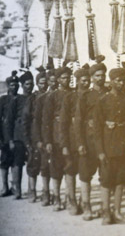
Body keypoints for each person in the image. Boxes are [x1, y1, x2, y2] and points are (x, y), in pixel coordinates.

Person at [94, 67, 125, 225]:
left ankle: (118, 212)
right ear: (111, 81)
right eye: (117, 80)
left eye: (123, 80)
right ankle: (106, 213)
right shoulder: (103, 100)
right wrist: (100, 151)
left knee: (121, 180)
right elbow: (97, 128)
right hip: (109, 147)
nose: (121, 83)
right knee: (107, 181)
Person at [75, 57, 108, 221]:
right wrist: (80, 143)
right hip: (89, 140)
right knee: (85, 174)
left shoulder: (110, 94)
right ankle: (86, 206)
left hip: (107, 141)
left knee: (106, 174)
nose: (100, 78)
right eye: (97, 76)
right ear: (92, 77)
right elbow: (78, 122)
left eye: (103, 75)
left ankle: (104, 208)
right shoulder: (85, 96)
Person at [60, 64, 90, 215]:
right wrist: (64, 144)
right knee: (71, 168)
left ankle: (84, 202)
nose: (87, 83)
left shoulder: (92, 97)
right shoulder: (69, 97)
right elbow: (63, 123)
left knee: (86, 170)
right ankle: (71, 200)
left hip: (88, 139)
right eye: (83, 80)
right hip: (72, 140)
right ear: (77, 81)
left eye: (88, 80)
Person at [42, 65, 73, 211]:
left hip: (70, 135)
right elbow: (46, 120)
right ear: (58, 80)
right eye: (63, 78)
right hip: (55, 136)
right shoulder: (52, 96)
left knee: (70, 167)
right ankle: (56, 198)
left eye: (68, 77)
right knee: (56, 168)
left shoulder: (74, 94)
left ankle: (69, 198)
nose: (66, 80)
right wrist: (47, 140)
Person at [4, 70, 35, 199]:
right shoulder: (17, 100)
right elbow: (9, 121)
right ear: (22, 85)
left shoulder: (36, 97)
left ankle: (31, 189)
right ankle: (17, 189)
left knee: (33, 161)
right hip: (18, 136)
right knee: (18, 162)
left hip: (33, 134)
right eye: (27, 84)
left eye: (31, 84)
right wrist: (10, 139)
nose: (30, 86)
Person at [24, 67, 48, 202]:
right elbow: (26, 118)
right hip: (34, 132)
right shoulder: (32, 98)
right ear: (37, 83)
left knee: (45, 163)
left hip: (46, 132)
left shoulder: (50, 96)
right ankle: (32, 190)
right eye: (41, 83)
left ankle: (46, 191)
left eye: (45, 83)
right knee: (33, 162)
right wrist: (27, 137)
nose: (43, 85)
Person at [34, 68, 57, 206]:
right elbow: (37, 120)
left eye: (55, 81)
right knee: (45, 164)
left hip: (59, 134)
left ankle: (57, 193)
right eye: (50, 81)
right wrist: (38, 139)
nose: (53, 83)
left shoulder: (62, 96)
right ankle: (46, 192)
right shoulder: (42, 98)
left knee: (58, 165)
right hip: (45, 134)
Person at [0, 71, 20, 197]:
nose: (15, 87)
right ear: (8, 86)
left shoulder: (21, 98)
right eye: (12, 85)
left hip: (17, 133)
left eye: (16, 84)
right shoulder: (3, 100)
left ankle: (16, 187)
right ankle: (4, 186)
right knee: (4, 160)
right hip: (4, 133)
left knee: (17, 161)